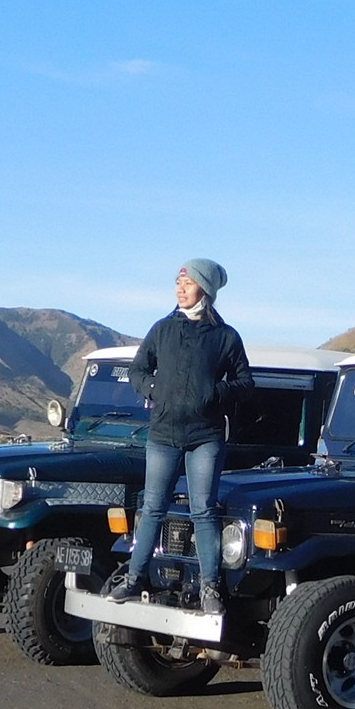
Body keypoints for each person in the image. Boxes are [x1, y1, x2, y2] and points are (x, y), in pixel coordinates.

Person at [108, 258, 250, 616]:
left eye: (187, 283)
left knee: (204, 512)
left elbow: (246, 384)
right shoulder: (162, 329)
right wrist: (153, 389)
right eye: (177, 283)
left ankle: (210, 589)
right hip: (163, 435)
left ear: (205, 289)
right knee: (152, 507)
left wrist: (215, 394)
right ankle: (134, 578)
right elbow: (138, 369)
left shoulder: (225, 336)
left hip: (206, 437)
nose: (180, 289)